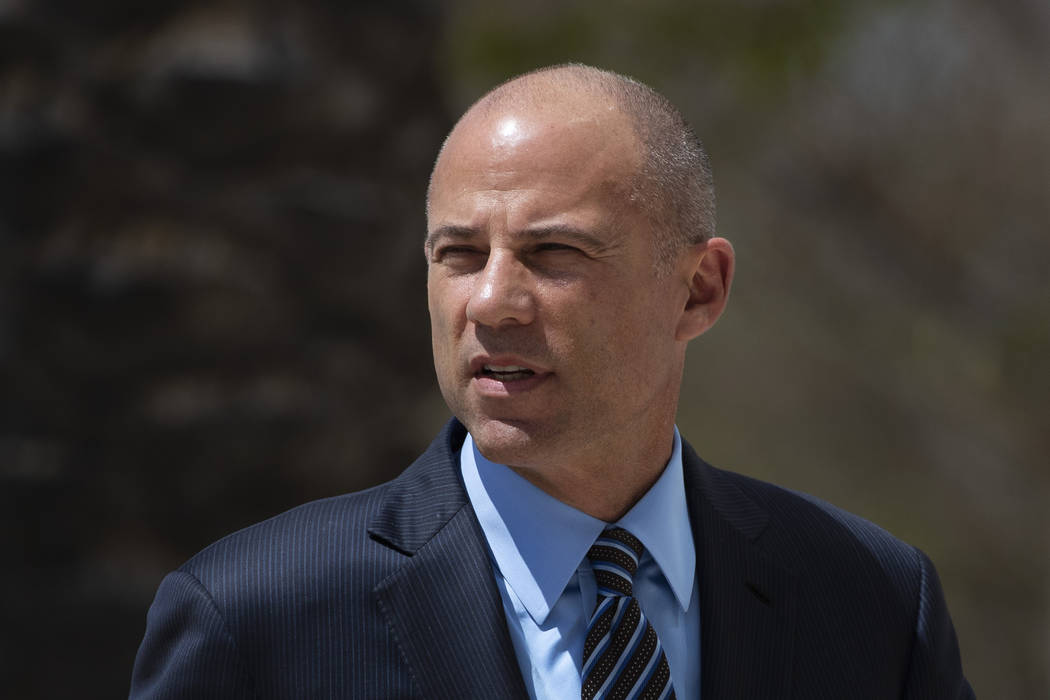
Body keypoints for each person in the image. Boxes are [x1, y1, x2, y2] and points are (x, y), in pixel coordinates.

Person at [130, 64, 974, 699]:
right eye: (459, 254)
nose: (491, 302)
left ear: (698, 289)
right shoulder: (255, 620)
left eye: (554, 253)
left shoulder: (872, 602)